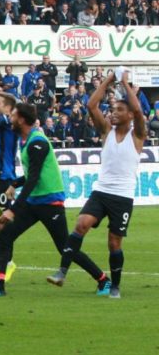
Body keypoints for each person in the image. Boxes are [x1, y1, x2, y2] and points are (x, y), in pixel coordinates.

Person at [0, 103, 110, 297]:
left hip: (50, 202)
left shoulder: (38, 142)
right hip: (35, 201)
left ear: (21, 119)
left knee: (64, 247)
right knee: (5, 235)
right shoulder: (26, 141)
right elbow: (31, 175)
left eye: (12, 116)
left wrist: (13, 208)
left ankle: (103, 280)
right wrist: (15, 184)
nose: (10, 119)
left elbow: (34, 177)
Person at [47, 70, 145, 299]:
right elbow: (92, 105)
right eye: (112, 109)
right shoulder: (106, 132)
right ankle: (62, 271)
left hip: (122, 197)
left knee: (114, 243)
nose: (113, 113)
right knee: (81, 224)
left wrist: (123, 82)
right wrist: (108, 80)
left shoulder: (137, 134)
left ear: (130, 115)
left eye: (120, 110)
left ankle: (115, 286)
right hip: (101, 192)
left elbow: (139, 109)